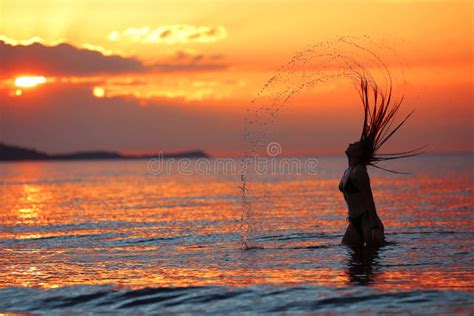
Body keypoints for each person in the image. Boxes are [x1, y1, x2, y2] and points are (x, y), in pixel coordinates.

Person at [339, 77, 422, 247]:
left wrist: (375, 226)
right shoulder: (349, 170)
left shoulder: (359, 172)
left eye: (355, 144)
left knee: (369, 264)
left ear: (359, 153)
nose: (350, 143)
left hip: (367, 221)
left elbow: (369, 200)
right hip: (354, 221)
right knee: (352, 264)